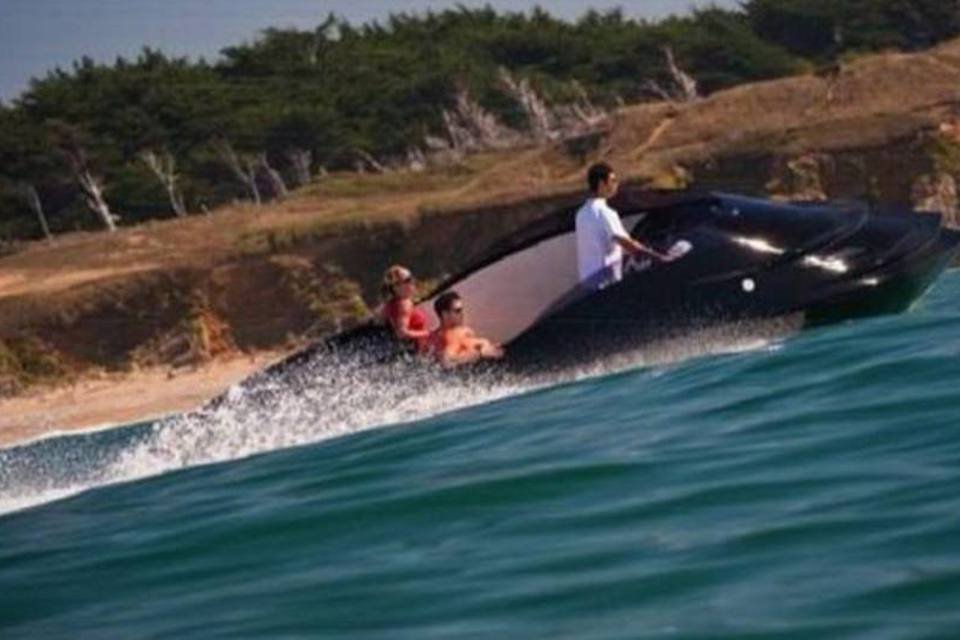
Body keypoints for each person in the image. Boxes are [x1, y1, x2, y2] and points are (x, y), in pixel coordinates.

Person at [575, 162, 675, 291]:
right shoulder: (605, 212)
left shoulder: (581, 214)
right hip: (606, 285)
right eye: (613, 180)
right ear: (601, 184)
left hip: (587, 286)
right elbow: (629, 245)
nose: (616, 184)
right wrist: (661, 258)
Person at [428, 291, 504, 367]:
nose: (462, 313)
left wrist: (487, 347)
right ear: (445, 314)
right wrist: (481, 353)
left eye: (462, 310)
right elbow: (447, 362)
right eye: (458, 311)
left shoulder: (461, 331)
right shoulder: (449, 336)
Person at [381, 265, 431, 351]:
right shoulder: (404, 304)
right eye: (408, 280)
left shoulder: (390, 304)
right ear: (396, 286)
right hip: (419, 353)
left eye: (412, 278)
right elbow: (402, 333)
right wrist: (429, 334)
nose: (413, 281)